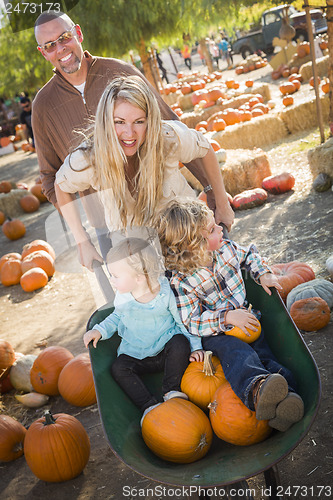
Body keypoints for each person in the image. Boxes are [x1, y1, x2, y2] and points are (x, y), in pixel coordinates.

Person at [32, 9, 230, 227]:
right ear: (44, 53)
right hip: (112, 228)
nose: (60, 48)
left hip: (168, 207)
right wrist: (83, 234)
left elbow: (175, 130)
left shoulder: (122, 72)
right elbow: (51, 180)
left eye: (64, 37)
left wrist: (211, 191)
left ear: (78, 33)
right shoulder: (43, 107)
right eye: (50, 45)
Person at [54, 75, 233, 270]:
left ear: (150, 120)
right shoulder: (90, 158)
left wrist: (222, 202)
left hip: (189, 246)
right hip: (141, 260)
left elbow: (205, 149)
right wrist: (82, 242)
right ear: (106, 122)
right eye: (119, 122)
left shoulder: (168, 138)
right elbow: (61, 186)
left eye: (139, 121)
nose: (129, 133)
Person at [157, 199, 305, 432]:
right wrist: (226, 318)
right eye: (212, 229)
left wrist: (263, 274)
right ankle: (256, 391)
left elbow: (250, 255)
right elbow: (192, 321)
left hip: (247, 319)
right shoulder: (181, 280)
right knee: (238, 354)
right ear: (196, 244)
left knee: (265, 357)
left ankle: (286, 400)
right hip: (216, 333)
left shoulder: (226, 249)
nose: (220, 229)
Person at [83, 236, 202, 424]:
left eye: (116, 276)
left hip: (165, 349)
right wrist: (99, 330)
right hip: (136, 354)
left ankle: (171, 390)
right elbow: (116, 317)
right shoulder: (122, 297)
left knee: (180, 343)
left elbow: (183, 323)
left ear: (138, 278)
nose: (112, 280)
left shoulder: (165, 292)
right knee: (119, 368)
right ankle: (148, 405)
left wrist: (196, 348)